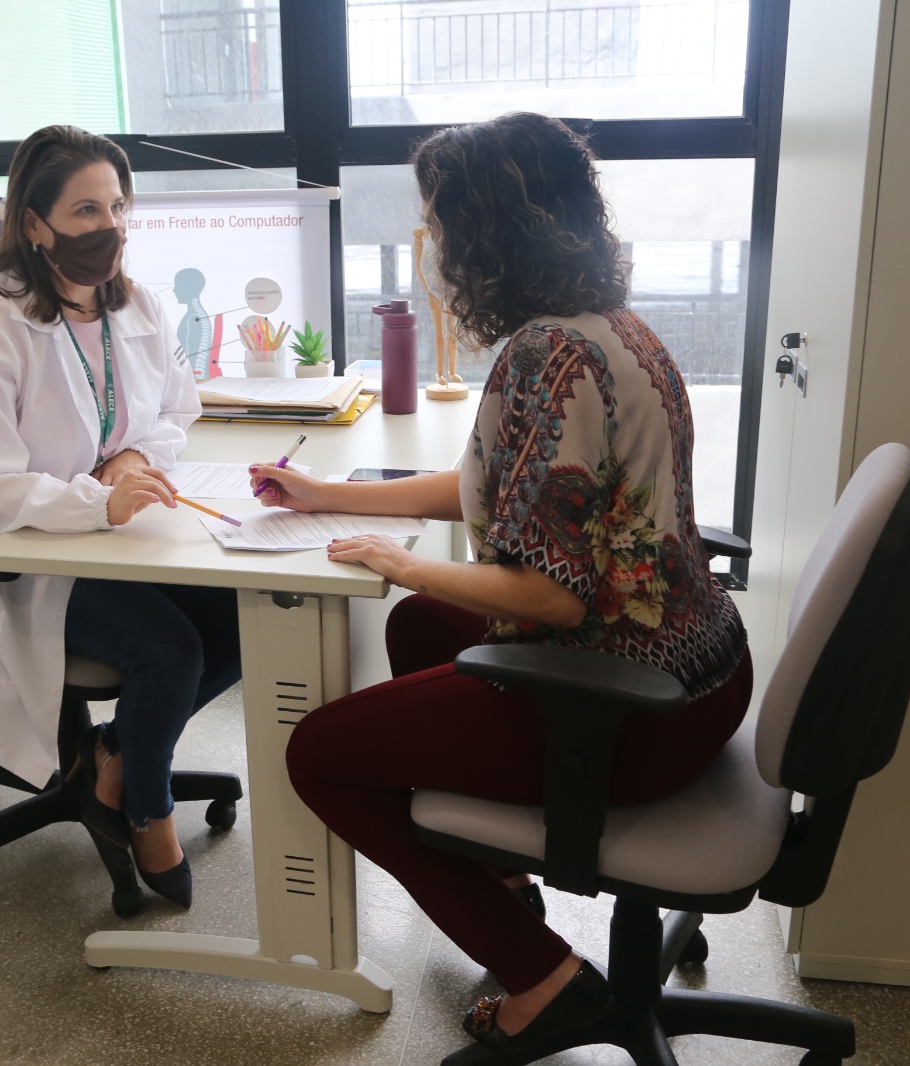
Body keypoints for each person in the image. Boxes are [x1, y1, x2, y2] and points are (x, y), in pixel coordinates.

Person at [250, 113, 752, 1057]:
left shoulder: (544, 358)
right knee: (420, 629)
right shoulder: (608, 328)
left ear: (484, 238)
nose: (433, 244)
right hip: (704, 670)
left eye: (440, 223)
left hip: (633, 710)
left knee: (319, 755)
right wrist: (328, 494)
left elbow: (551, 598)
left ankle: (549, 982)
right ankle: (505, 886)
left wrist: (397, 558)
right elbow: (495, 482)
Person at [0, 125, 239, 908]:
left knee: (241, 620)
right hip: (31, 553)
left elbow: (177, 410)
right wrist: (97, 499)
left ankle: (117, 756)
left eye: (117, 206)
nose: (109, 227)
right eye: (84, 211)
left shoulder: (136, 304)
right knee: (168, 651)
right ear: (34, 225)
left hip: (122, 538)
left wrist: (136, 462)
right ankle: (147, 806)